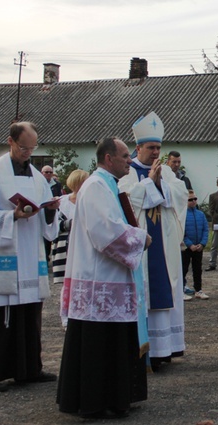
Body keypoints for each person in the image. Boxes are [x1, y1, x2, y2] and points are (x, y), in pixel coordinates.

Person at [58, 137, 151, 419]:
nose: (129, 161)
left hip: (111, 279)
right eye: (125, 156)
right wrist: (140, 239)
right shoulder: (97, 186)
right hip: (100, 281)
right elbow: (105, 232)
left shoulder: (108, 185)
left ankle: (114, 397)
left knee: (113, 341)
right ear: (109, 159)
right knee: (99, 343)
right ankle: (95, 400)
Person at [0, 121, 60, 393]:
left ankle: (28, 369)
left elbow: (45, 220)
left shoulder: (35, 175)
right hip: (3, 253)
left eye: (32, 148)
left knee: (29, 312)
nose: (28, 153)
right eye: (23, 148)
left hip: (30, 252)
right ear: (10, 142)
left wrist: (50, 209)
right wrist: (12, 216)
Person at [118, 111, 188, 371]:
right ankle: (143, 349)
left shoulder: (167, 172)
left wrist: (161, 184)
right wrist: (150, 183)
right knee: (144, 293)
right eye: (151, 147)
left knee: (166, 288)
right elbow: (125, 200)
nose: (156, 152)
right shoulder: (127, 172)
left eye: (159, 147)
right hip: (143, 244)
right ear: (138, 148)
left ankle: (163, 350)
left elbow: (181, 196)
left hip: (165, 242)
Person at [52, 169, 89, 285]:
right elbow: (54, 225)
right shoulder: (62, 201)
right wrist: (72, 223)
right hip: (64, 247)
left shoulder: (90, 201)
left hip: (84, 245)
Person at [183, 190, 209, 300]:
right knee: (183, 269)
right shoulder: (182, 214)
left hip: (198, 247)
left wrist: (202, 243)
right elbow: (181, 232)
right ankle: (181, 289)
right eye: (190, 199)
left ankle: (198, 290)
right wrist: (189, 244)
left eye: (195, 199)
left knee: (198, 269)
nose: (193, 201)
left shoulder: (201, 214)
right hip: (186, 248)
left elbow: (206, 230)